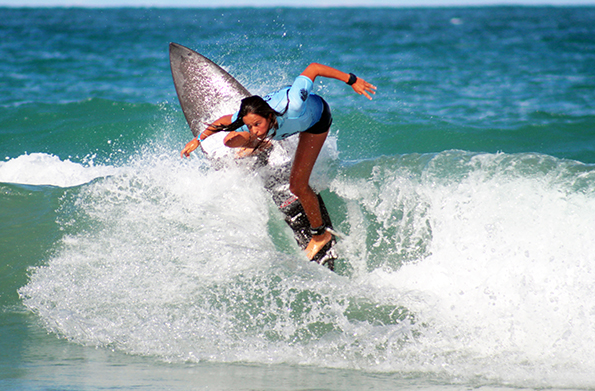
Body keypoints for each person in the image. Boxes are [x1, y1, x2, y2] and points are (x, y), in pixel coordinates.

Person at [181, 63, 376, 260]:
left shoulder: (293, 104)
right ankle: (262, 145)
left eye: (257, 124)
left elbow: (314, 68)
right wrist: (198, 140)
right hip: (278, 129)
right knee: (229, 140)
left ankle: (320, 236)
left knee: (298, 186)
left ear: (269, 115)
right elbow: (223, 121)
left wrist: (352, 80)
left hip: (315, 122)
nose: (254, 129)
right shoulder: (253, 122)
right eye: (250, 126)